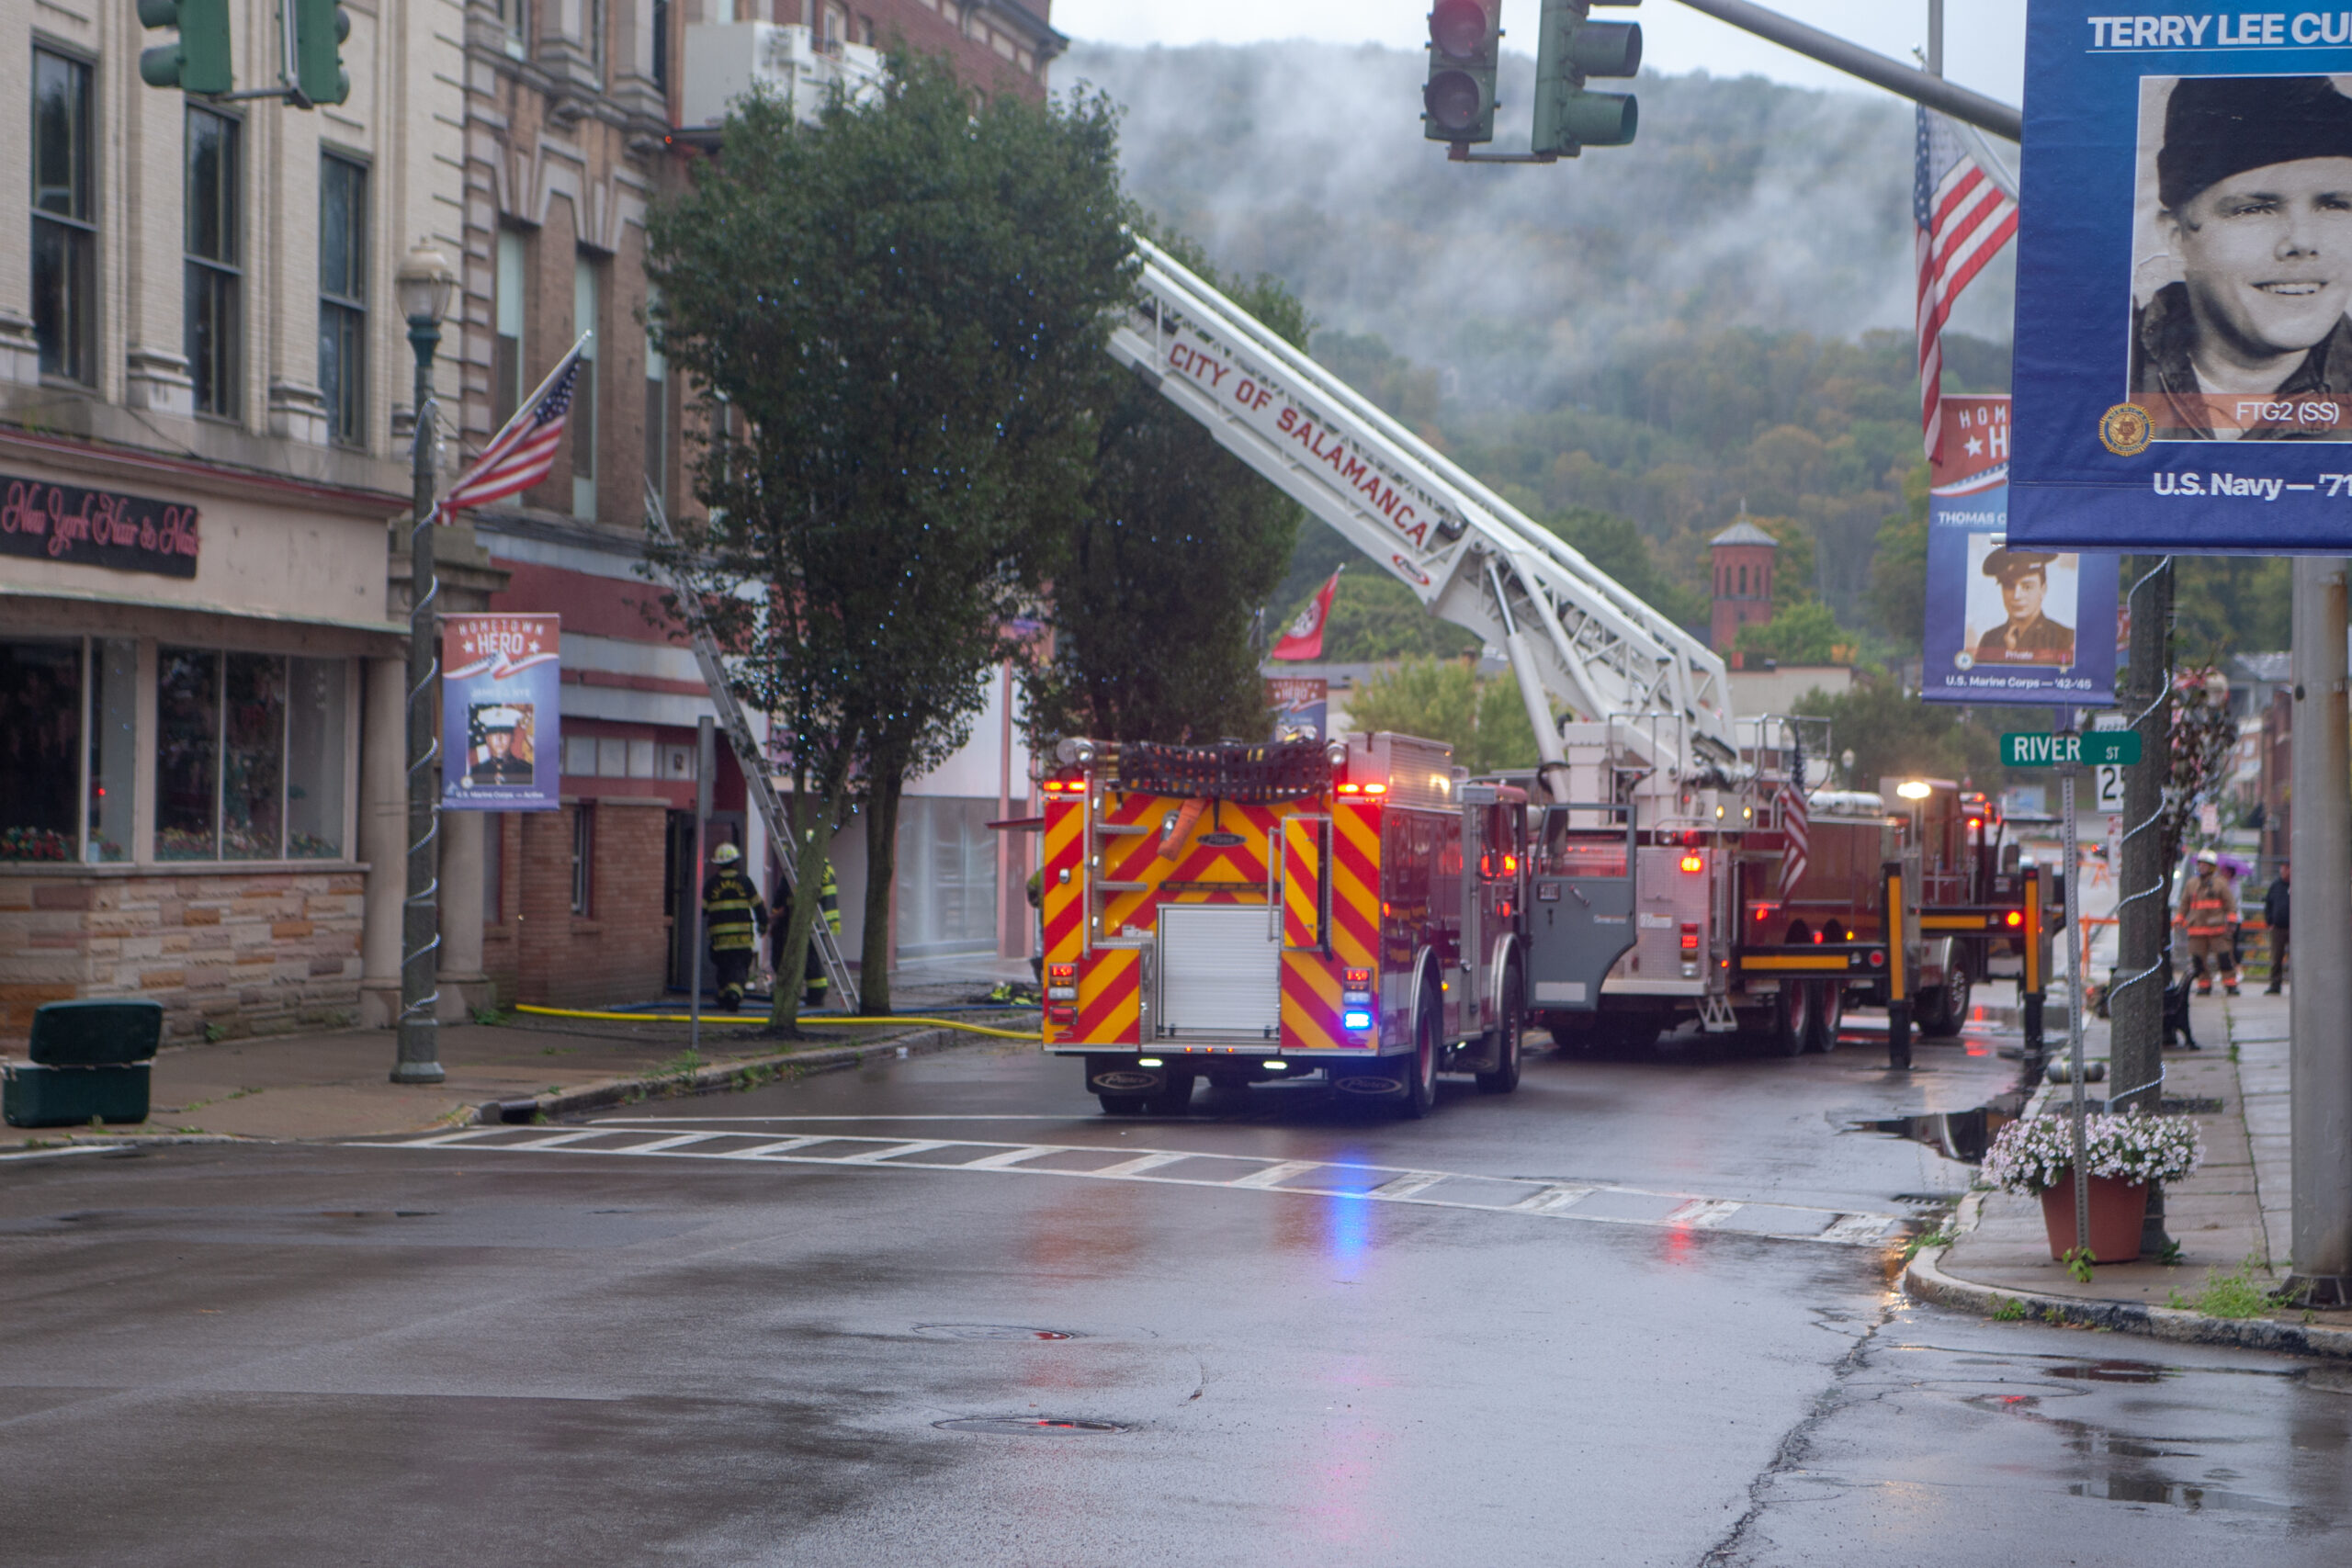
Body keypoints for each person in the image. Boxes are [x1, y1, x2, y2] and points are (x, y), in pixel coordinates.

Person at [2132, 76, 2352, 441]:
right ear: (2176, 237)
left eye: (2336, 205)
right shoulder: (2100, 369)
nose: (2301, 241)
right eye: (2255, 209)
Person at [1973, 549, 2075, 664]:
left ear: (2043, 589)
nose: (2017, 596)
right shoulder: (1989, 640)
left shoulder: (2066, 638)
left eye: (2027, 587)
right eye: (2009, 586)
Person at [769, 855, 841, 1010]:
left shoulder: (807, 872)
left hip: (810, 923)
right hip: (824, 923)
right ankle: (816, 994)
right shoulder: (826, 870)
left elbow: (794, 898)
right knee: (815, 960)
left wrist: (779, 915)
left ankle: (808, 995)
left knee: (809, 960)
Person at [701, 842, 766, 1012]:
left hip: (720, 941)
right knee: (738, 970)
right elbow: (758, 905)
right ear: (735, 862)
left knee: (724, 969)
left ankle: (724, 997)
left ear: (718, 864)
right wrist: (763, 924)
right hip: (741, 939)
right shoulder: (744, 882)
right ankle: (733, 997)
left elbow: (701, 910)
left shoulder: (711, 884)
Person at [2177, 849, 2242, 997]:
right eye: (2200, 865)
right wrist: (2179, 918)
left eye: (2205, 865)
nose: (2202, 868)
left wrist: (2232, 921)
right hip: (2197, 929)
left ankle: (2230, 984)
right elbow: (2184, 904)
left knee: (2224, 956)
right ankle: (2204, 985)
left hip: (2217, 928)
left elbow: (2230, 903)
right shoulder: (2192, 884)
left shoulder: (2220, 884)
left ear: (2212, 867)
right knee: (2198, 959)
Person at [468, 706, 534, 784]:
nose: (499, 738)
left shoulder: (528, 771)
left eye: (504, 733)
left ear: (513, 737)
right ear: (487, 738)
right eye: (494, 734)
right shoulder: (475, 772)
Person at [2264, 861, 2290, 994]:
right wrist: (2269, 921)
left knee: (2297, 957)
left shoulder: (2296, 885)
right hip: (2278, 928)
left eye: (2286, 869)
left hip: (2294, 928)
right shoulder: (2276, 885)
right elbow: (2268, 904)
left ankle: (2298, 983)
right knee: (2276, 957)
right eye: (2282, 869)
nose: (2283, 872)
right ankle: (2275, 984)